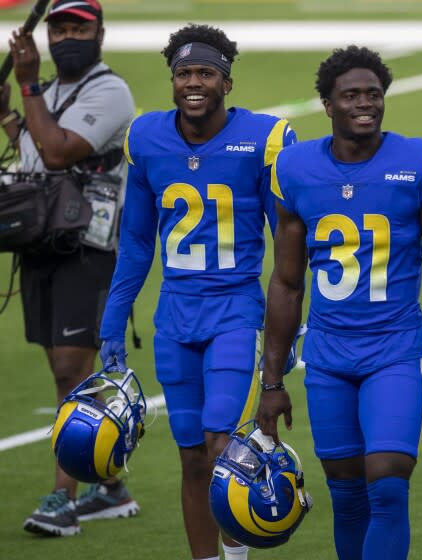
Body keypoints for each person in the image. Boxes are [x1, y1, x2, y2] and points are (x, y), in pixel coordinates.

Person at [255, 45, 422, 560]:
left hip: (394, 351)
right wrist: (271, 381)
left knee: (386, 483)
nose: (365, 104)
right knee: (347, 495)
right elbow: (286, 283)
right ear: (327, 104)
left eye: (374, 94)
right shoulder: (294, 169)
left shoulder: (419, 163)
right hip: (328, 356)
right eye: (351, 95)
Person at [97, 24, 296, 560]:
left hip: (235, 312)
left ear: (227, 82)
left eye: (206, 73)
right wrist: (114, 319)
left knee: (221, 449)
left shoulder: (264, 138)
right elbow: (137, 242)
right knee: (191, 458)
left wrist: (291, 326)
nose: (193, 83)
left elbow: (287, 243)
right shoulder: (145, 137)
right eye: (183, 73)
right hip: (175, 320)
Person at [0, 0, 137, 537]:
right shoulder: (51, 93)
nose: (65, 36)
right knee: (68, 370)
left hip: (89, 247)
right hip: (45, 244)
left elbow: (59, 154)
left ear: (99, 32)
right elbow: (35, 157)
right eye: (57, 27)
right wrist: (11, 116)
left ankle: (64, 497)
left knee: (69, 371)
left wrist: (28, 86)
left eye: (77, 27)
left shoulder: (110, 91)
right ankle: (110, 484)